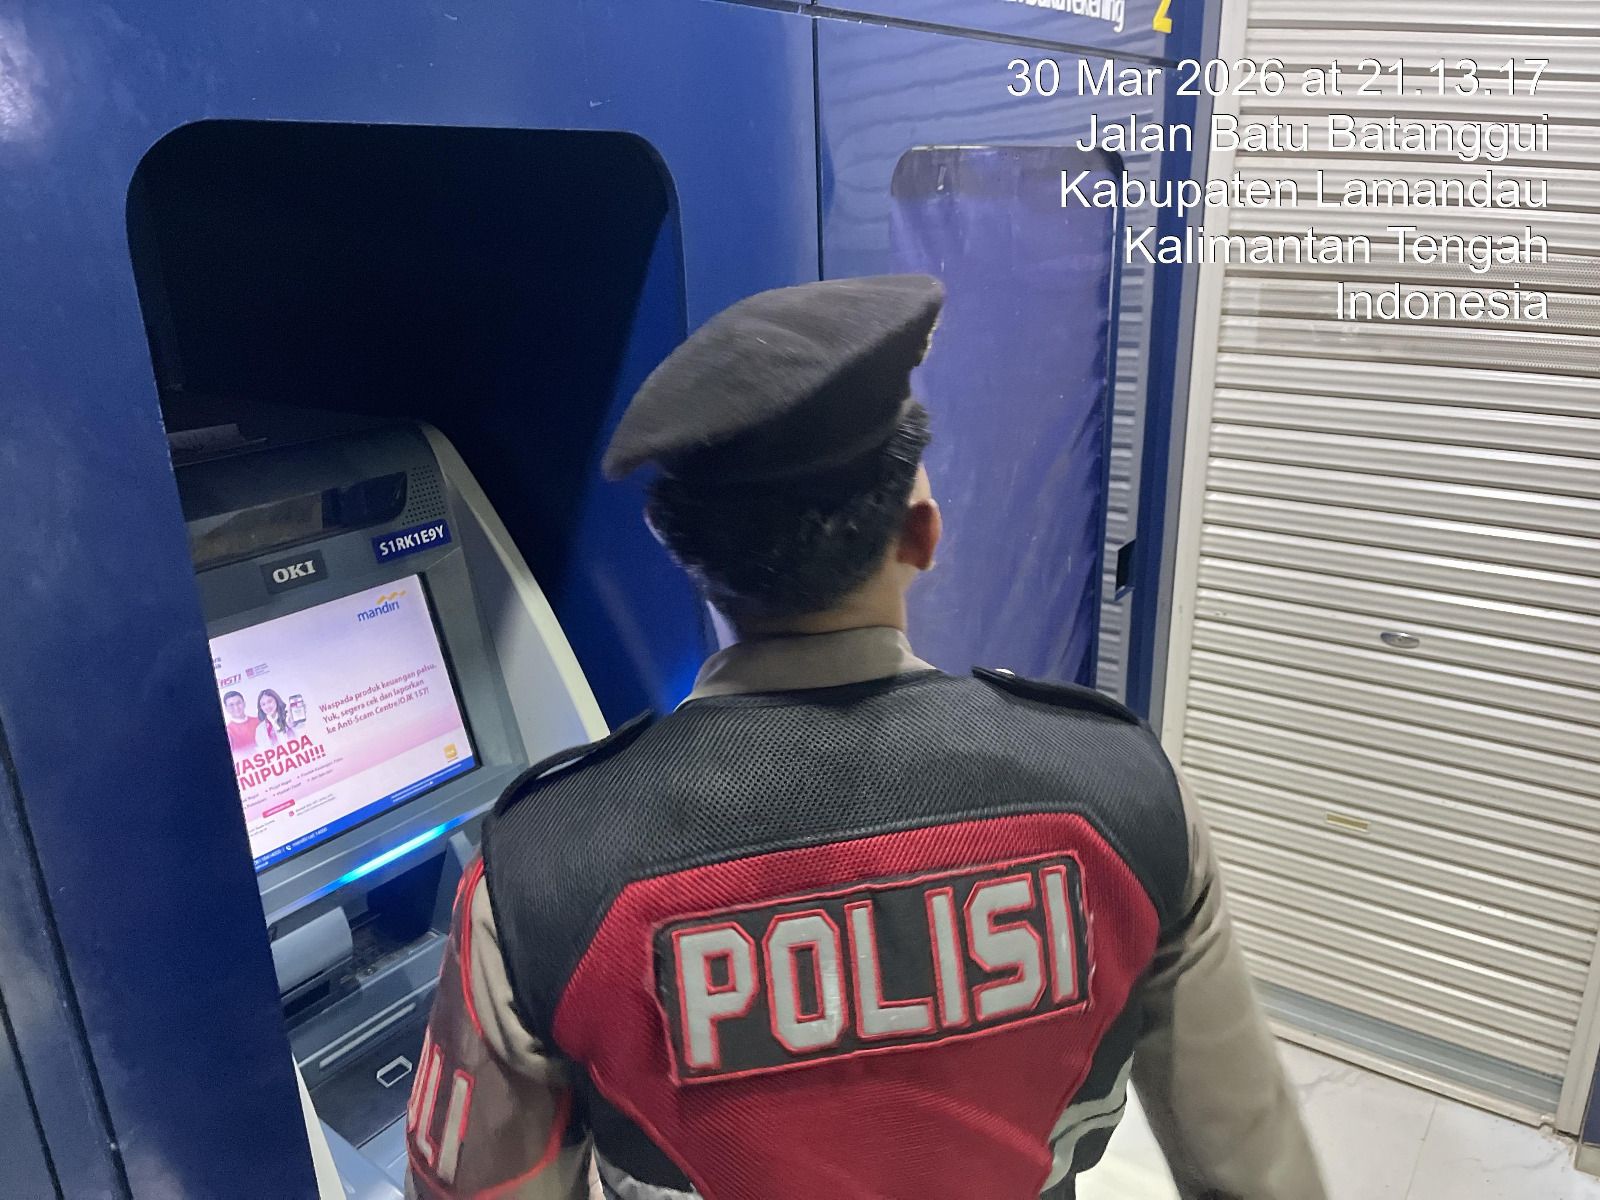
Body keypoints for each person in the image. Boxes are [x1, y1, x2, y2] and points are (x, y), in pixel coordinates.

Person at [404, 276, 1327, 1200]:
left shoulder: (543, 872)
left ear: (680, 549)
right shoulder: (1125, 798)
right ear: (922, 535)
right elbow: (1262, 1174)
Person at [222, 689, 261, 754]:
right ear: (226, 709)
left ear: (244, 703)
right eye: (231, 705)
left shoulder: (259, 721)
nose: (236, 707)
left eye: (238, 703)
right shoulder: (228, 731)